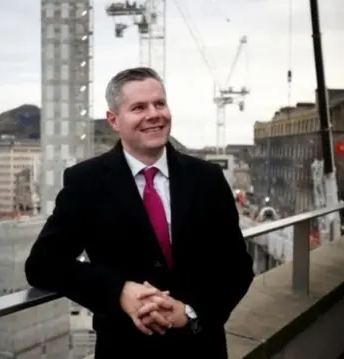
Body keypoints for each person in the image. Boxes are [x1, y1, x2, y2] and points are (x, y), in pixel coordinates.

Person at [25, 67, 253, 358]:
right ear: (114, 121)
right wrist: (119, 291)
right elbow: (43, 265)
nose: (154, 114)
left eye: (160, 103)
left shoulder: (207, 178)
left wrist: (192, 312)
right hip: (125, 350)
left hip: (200, 348)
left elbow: (237, 266)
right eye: (138, 107)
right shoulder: (86, 182)